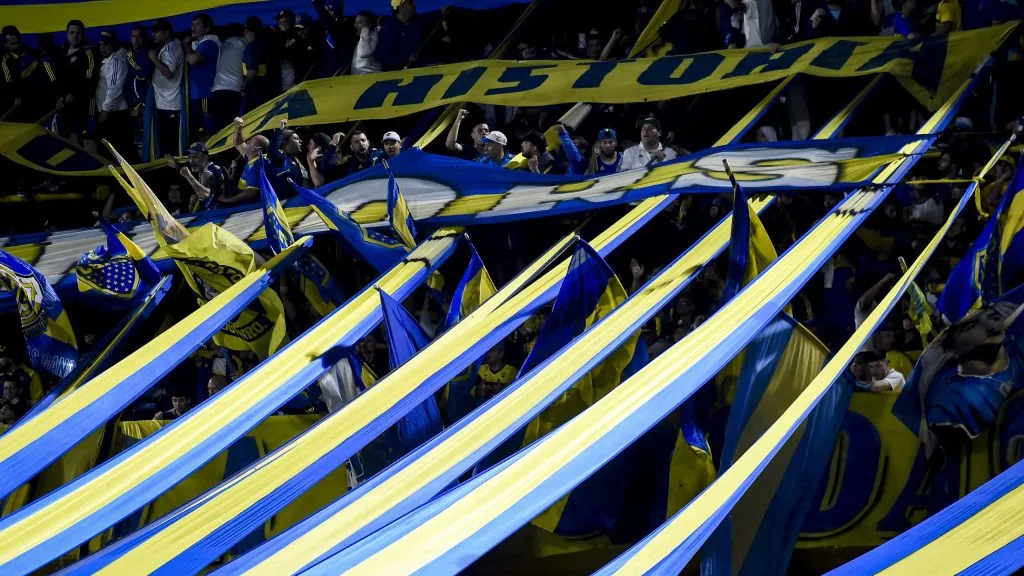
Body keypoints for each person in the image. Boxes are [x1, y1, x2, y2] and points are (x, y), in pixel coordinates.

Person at [54, 20, 98, 145]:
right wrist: (59, 96)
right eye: (72, 33)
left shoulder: (90, 52)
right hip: (65, 104)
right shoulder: (61, 51)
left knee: (86, 138)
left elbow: (90, 79)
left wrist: (74, 94)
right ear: (67, 34)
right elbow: (58, 77)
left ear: (83, 34)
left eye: (78, 33)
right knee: (67, 138)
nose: (75, 36)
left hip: (83, 104)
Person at [2, 25, 58, 121]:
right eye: (12, 44)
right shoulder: (6, 62)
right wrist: (16, 97)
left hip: (42, 95)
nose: (17, 46)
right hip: (25, 100)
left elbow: (47, 72)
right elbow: (9, 83)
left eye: (18, 42)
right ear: (6, 44)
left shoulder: (32, 52)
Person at [148, 18, 185, 157]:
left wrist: (153, 58)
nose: (154, 34)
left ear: (167, 33)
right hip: (165, 102)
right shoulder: (167, 46)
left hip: (170, 104)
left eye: (157, 31)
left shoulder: (172, 48)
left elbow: (168, 72)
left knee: (170, 146)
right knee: (166, 144)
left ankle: (173, 175)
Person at [95, 31, 132, 158]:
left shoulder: (116, 61)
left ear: (114, 44)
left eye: (106, 45)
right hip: (112, 112)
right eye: (101, 45)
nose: (102, 48)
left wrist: (105, 110)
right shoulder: (110, 59)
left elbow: (114, 88)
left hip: (114, 114)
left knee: (115, 150)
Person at [184, 13, 221, 141]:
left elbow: (193, 60)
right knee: (198, 130)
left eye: (197, 24)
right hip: (197, 94)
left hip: (204, 94)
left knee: (206, 131)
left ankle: (210, 157)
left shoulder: (209, 41)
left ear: (207, 29)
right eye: (192, 24)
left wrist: (187, 48)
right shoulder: (201, 42)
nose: (192, 27)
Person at [172, 142, 228, 212]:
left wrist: (188, 176)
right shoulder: (215, 166)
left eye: (195, 157)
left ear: (205, 157)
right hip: (222, 210)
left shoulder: (207, 173)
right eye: (189, 157)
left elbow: (204, 194)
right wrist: (177, 166)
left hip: (213, 214)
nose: (191, 161)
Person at [227, 116, 270, 204]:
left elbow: (251, 192)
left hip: (250, 209)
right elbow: (238, 143)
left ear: (255, 148)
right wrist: (238, 129)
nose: (247, 142)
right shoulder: (252, 157)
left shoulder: (257, 164)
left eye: (250, 141)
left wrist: (229, 200)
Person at [211, 22, 246, 133]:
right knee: (233, 125)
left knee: (220, 127)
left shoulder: (221, 45)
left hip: (218, 89)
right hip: (234, 89)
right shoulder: (245, 45)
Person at [376, 0, 424, 71]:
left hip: (419, 69)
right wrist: (406, 58)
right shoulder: (388, 30)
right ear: (402, 6)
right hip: (396, 75)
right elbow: (383, 57)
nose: (414, 5)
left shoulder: (416, 23)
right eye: (411, 3)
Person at [241, 16, 274, 111]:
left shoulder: (252, 47)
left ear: (246, 31)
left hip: (255, 91)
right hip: (268, 89)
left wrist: (244, 88)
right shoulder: (266, 44)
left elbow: (252, 71)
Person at [268, 118, 310, 191]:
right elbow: (272, 152)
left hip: (306, 199)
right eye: (296, 138)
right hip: (293, 201)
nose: (301, 141)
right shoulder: (281, 159)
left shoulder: (297, 159)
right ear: (286, 143)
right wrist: (279, 131)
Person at [125, 26, 154, 119]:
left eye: (139, 37)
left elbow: (142, 75)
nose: (136, 40)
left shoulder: (147, 53)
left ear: (144, 38)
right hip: (131, 103)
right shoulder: (131, 53)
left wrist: (131, 61)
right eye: (133, 36)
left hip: (144, 103)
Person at [351, 10, 381, 74]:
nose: (355, 25)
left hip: (369, 78)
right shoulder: (364, 37)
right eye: (355, 22)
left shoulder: (374, 35)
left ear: (369, 26)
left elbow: (363, 53)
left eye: (359, 23)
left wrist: (364, 31)